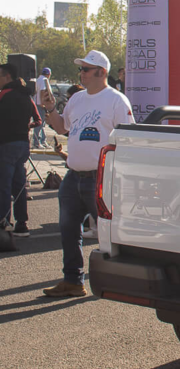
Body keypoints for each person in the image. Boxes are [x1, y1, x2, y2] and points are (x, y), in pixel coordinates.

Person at [39, 49, 134, 298]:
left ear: (101, 73)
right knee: (69, 232)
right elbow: (61, 128)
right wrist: (49, 109)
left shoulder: (116, 100)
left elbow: (128, 139)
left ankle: (123, 280)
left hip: (101, 179)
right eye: (80, 69)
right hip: (74, 176)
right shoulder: (77, 99)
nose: (81, 74)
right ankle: (73, 281)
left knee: (109, 235)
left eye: (86, 69)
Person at [0, 62, 40, 237]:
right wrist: (27, 126)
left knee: (4, 185)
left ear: (7, 76)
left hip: (6, 143)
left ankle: (3, 222)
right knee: (19, 185)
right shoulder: (26, 96)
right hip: (23, 144)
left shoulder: (4, 95)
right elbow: (38, 119)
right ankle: (22, 223)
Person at [32, 66, 52, 148]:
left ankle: (43, 140)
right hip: (41, 104)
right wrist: (43, 103)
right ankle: (37, 142)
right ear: (49, 74)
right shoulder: (44, 80)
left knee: (43, 124)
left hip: (37, 103)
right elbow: (42, 92)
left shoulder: (39, 79)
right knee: (40, 124)